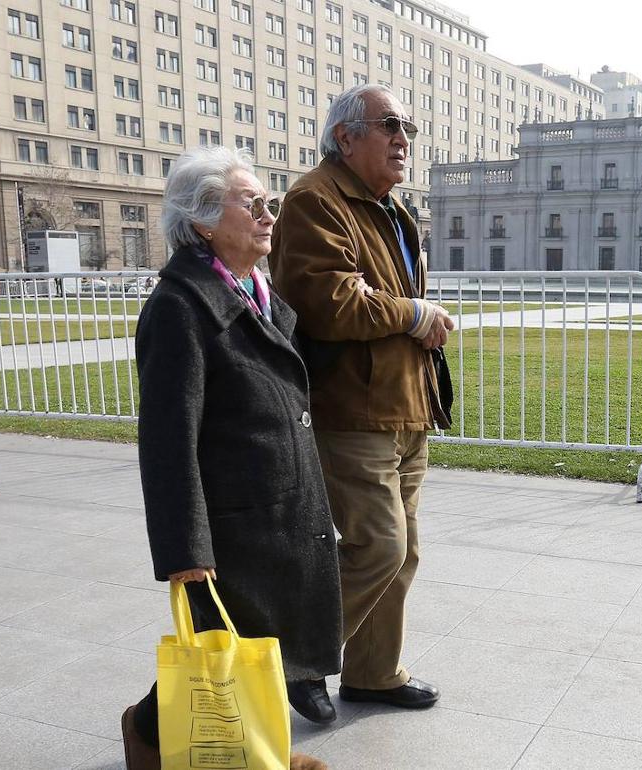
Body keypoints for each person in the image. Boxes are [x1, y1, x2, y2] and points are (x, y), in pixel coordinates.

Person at [120, 146, 341, 770]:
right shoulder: (180, 307)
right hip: (231, 521)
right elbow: (167, 440)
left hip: (277, 506)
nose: (269, 215)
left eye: (269, 203)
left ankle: (236, 746)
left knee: (253, 640)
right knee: (228, 643)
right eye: (253, 204)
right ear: (202, 222)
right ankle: (156, 730)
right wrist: (184, 549)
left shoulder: (253, 290)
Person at [269, 83, 454, 720]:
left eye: (408, 128)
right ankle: (298, 658)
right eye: (390, 125)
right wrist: (415, 313)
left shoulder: (391, 208)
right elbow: (330, 301)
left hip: (404, 404)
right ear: (345, 137)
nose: (404, 140)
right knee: (378, 545)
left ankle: (375, 673)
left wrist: (415, 320)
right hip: (352, 410)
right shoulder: (314, 200)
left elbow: (386, 301)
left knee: (403, 553)